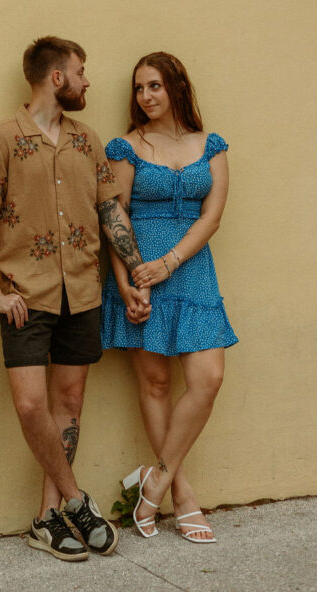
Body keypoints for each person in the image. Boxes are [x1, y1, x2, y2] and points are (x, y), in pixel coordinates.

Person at [0, 36, 150, 562]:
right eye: (82, 71)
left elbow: (111, 213)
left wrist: (136, 274)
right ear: (57, 78)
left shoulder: (88, 141)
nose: (89, 81)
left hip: (84, 293)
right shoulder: (1, 139)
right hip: (27, 294)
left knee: (68, 405)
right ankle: (75, 500)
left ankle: (48, 519)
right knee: (30, 405)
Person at [101, 51, 238, 544]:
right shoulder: (125, 147)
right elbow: (112, 215)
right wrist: (126, 281)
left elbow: (212, 216)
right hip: (140, 273)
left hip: (192, 269)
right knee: (156, 383)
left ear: (177, 86)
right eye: (139, 88)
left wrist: (172, 261)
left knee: (207, 379)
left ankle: (153, 479)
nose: (146, 96)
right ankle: (181, 494)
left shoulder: (212, 145)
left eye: (154, 85)